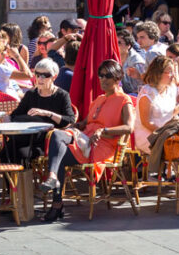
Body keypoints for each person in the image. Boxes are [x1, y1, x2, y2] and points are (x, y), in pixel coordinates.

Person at [39, 59, 135, 223]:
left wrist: (104, 130)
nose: (103, 79)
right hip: (86, 139)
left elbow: (129, 127)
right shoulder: (98, 100)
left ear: (118, 78)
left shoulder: (124, 100)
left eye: (107, 76)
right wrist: (78, 124)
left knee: (58, 155)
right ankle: (53, 178)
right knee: (56, 135)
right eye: (101, 75)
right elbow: (87, 123)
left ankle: (57, 204)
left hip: (102, 145)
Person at [6, 58, 75, 163]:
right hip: (26, 137)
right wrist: (7, 117)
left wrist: (48, 113)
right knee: (7, 150)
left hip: (46, 140)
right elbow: (16, 114)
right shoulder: (31, 94)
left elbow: (70, 120)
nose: (40, 78)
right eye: (37, 74)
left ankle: (23, 179)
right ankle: (13, 179)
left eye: (44, 75)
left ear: (54, 77)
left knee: (19, 153)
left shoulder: (62, 95)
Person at [134, 56, 179, 154]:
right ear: (158, 73)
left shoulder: (170, 90)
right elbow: (146, 122)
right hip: (149, 136)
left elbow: (167, 115)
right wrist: (165, 133)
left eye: (174, 72)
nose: (173, 76)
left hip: (166, 133)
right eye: (169, 72)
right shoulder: (147, 92)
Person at [117, 28, 145, 94]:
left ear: (128, 45)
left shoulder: (137, 62)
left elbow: (147, 83)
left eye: (119, 43)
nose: (116, 45)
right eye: (114, 41)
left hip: (136, 95)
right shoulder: (114, 58)